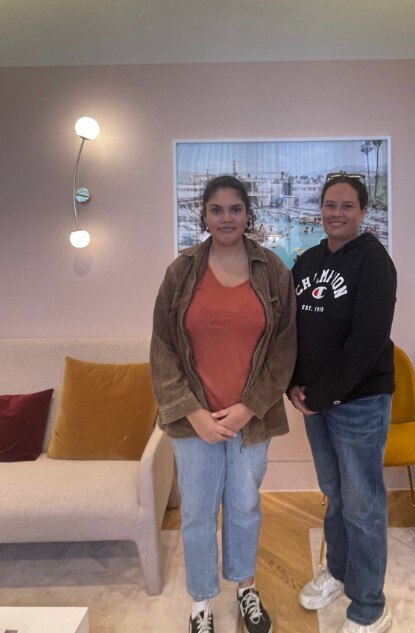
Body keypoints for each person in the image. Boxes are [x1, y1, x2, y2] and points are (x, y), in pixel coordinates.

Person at [151, 175, 297, 633]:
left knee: (244, 507)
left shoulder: (273, 271)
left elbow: (284, 350)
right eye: (217, 210)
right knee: (196, 514)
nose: (227, 218)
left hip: (251, 420)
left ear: (248, 214)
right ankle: (201, 602)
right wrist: (193, 412)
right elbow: (162, 348)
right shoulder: (181, 272)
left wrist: (249, 406)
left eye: (235, 209)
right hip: (193, 421)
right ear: (205, 214)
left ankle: (245, 587)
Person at [289, 174, 397, 633]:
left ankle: (370, 604)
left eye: (347, 206)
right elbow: (291, 329)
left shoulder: (374, 261)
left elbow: (368, 340)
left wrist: (323, 394)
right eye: (330, 205)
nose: (337, 213)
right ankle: (337, 572)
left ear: (363, 212)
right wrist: (293, 384)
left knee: (363, 504)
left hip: (360, 402)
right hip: (316, 401)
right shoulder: (307, 261)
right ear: (320, 209)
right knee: (335, 495)